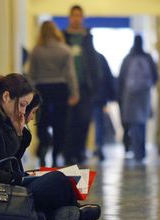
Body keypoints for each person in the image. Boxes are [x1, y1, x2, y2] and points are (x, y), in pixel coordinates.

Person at [0, 73, 100, 220]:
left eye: (26, 106)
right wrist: (16, 178)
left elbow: (11, 159)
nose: (23, 111)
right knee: (57, 180)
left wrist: (18, 134)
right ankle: (62, 212)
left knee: (59, 179)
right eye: (22, 105)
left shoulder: (2, 121)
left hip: (6, 186)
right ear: (6, 97)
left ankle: (57, 212)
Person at [28, 20, 80, 167]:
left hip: (41, 89)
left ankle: (44, 144)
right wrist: (74, 93)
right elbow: (70, 74)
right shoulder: (65, 50)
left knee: (42, 122)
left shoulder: (36, 51)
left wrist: (31, 93)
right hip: (60, 89)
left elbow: (31, 75)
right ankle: (56, 155)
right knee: (60, 124)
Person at [63, 5, 101, 164]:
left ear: (82, 17)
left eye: (79, 16)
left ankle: (80, 151)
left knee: (84, 120)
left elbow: (94, 62)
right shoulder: (63, 37)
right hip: (67, 88)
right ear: (70, 17)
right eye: (74, 16)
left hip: (85, 88)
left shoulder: (87, 38)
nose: (76, 19)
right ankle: (68, 152)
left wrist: (95, 85)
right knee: (68, 121)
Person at [118, 35, 159, 162]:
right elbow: (155, 77)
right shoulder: (147, 57)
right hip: (144, 94)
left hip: (130, 95)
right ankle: (142, 151)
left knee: (133, 123)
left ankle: (136, 151)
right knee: (142, 122)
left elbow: (121, 78)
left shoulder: (127, 58)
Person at [92, 51, 116, 161]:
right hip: (99, 96)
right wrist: (110, 95)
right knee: (99, 123)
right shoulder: (100, 57)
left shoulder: (82, 55)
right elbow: (108, 77)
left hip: (85, 96)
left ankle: (80, 149)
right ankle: (99, 146)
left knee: (82, 123)